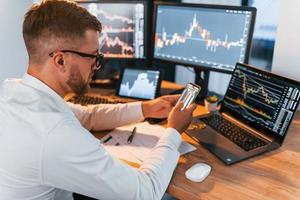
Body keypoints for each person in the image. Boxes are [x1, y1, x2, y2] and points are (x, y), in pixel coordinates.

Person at [0, 0, 196, 200]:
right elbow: (146, 192)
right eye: (94, 57)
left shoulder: (16, 92)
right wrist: (173, 131)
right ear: (60, 60)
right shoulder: (54, 133)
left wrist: (147, 108)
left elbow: (88, 116)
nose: (97, 66)